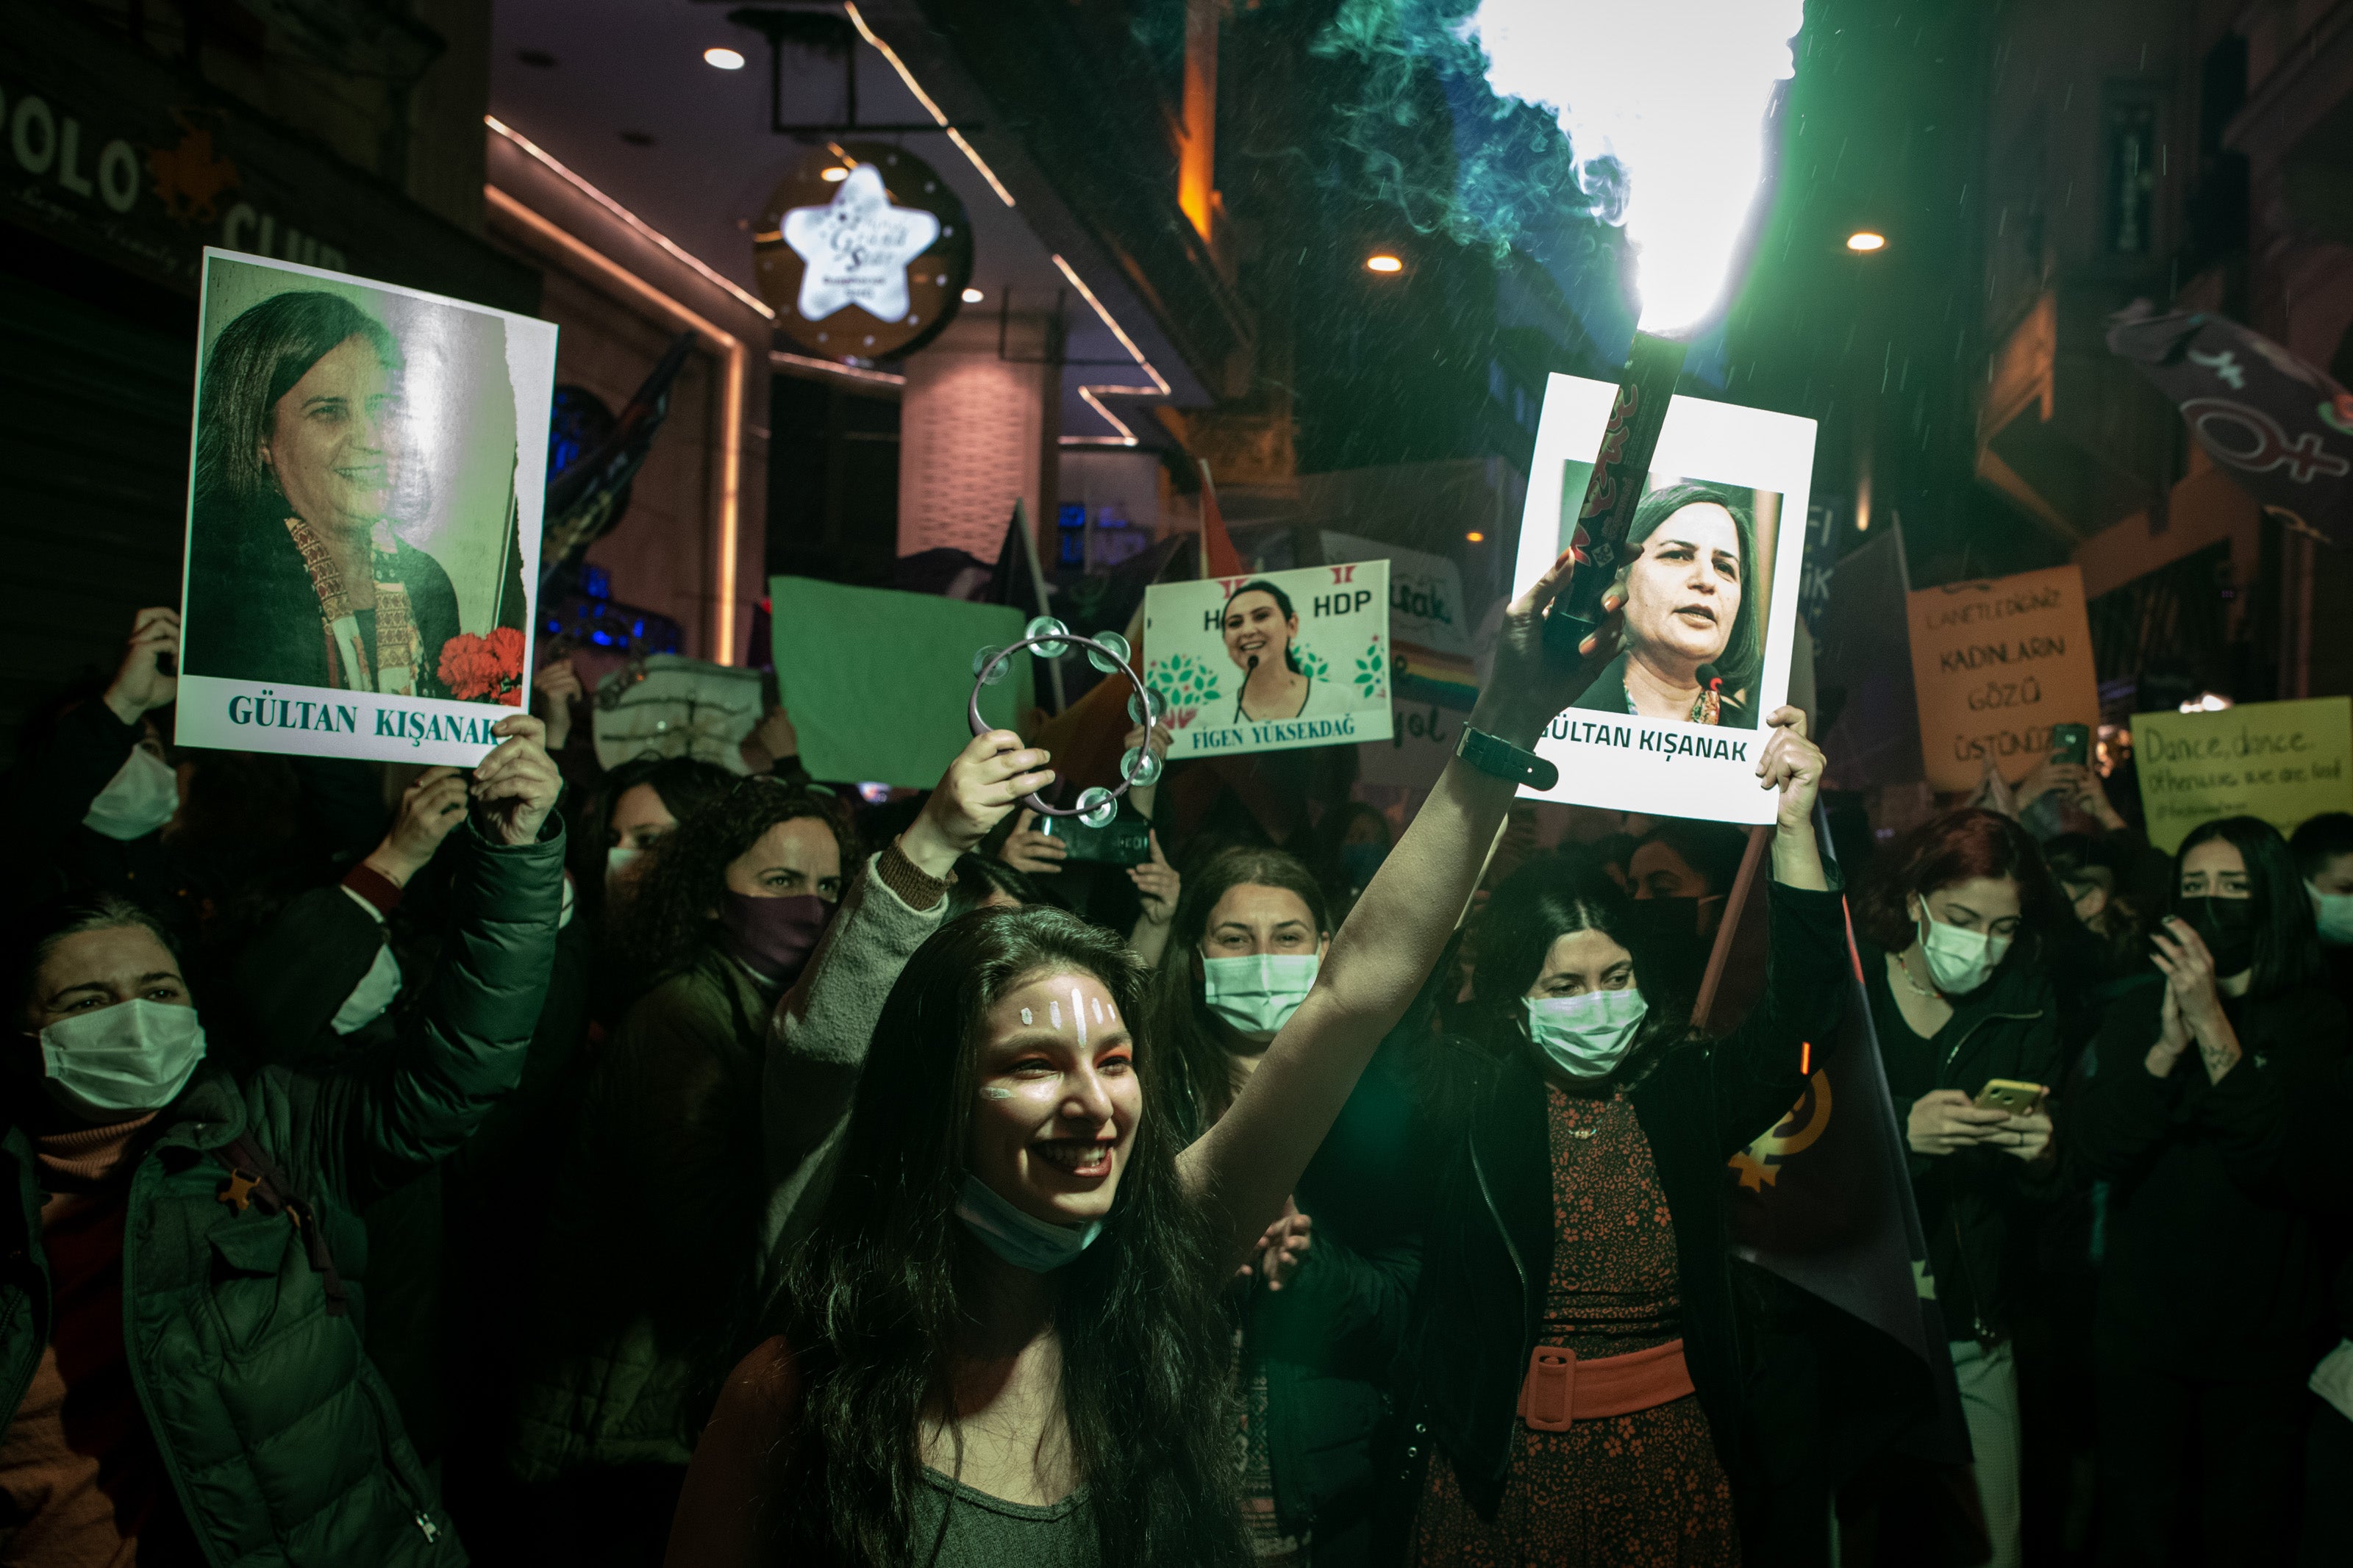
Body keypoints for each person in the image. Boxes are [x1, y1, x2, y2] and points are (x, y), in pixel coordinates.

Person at [662, 543, 1593, 1567]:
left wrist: (1505, 724)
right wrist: (927, 843)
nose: (1094, 1102)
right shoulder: (796, 1388)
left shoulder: (1158, 1261)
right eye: (1031, 1065)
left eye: (1114, 1059)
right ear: (938, 1097)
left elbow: (1352, 992)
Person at [0, 714, 562, 1567]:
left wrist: (516, 861)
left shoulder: (264, 1130)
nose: (134, 1018)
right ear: (22, 1032)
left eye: (158, 989)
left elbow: (459, 1070)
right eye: (87, 1003)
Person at [1389, 704, 1833, 1565]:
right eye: (1562, 987)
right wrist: (1464, 845)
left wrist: (1791, 830)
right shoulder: (1469, 1099)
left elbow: (1802, 1025)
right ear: (1515, 996)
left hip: (1669, 1462)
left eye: (1614, 976)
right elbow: (1395, 1021)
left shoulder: (1681, 1087)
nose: (1595, 1002)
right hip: (1505, 1472)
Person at [506, 778, 857, 1564]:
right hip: (630, 1431)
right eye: (779, 882)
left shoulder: (774, 1009)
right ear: (709, 898)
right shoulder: (680, 1021)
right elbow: (711, 1244)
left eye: (830, 887)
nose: (811, 905)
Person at [2071, 815, 2346, 1568]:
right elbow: (2092, 1150)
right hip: (2140, 1342)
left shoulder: (2316, 1023)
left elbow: (2281, 1163)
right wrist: (2165, 1047)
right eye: (2194, 888)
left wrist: (2211, 1027)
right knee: (2137, 1537)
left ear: (2271, 899)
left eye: (2234, 888)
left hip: (2261, 1350)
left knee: (2245, 1539)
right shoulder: (2134, 1011)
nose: (2212, 903)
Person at [1851, 808, 2063, 1568]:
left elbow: (2041, 1201)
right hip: (1850, 1320)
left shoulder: (2025, 1000)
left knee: (1991, 1548)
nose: (1981, 947)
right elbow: (1773, 1143)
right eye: (1961, 919)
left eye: (2001, 929)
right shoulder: (1845, 978)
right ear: (1912, 898)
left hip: (1969, 1319)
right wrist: (1900, 1131)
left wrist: (2041, 1158)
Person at [761, 731, 1060, 1256]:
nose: (1018, 975)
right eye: (991, 954)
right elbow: (825, 1042)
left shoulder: (1040, 1097)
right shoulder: (848, 1097)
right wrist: (935, 841)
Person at [182, 291, 464, 699]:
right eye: (329, 412)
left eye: (382, 407)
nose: (371, 440)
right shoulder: (227, 584)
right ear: (260, 437)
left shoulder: (430, 587)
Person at [1570, 482, 1762, 728]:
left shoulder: (1758, 745)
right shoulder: (1560, 708)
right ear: (1621, 576)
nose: (1706, 580)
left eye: (1724, 567)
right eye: (1677, 555)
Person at [1223, 581, 1326, 722]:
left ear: (1291, 625)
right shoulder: (1209, 718)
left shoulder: (1337, 701)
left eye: (1261, 616)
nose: (1247, 631)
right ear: (1225, 641)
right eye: (1235, 623)